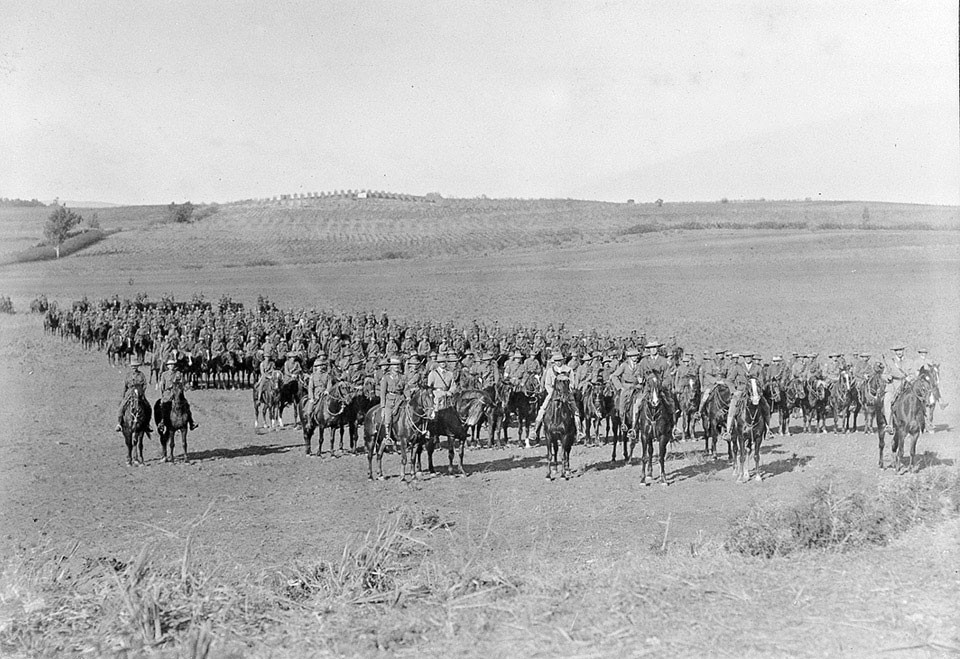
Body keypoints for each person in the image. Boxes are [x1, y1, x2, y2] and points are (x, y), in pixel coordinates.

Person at [532, 351, 584, 439]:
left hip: (566, 393)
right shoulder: (550, 371)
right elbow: (547, 384)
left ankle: (579, 431)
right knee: (543, 408)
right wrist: (553, 392)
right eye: (556, 361)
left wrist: (568, 391)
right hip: (553, 393)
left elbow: (572, 382)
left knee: (575, 410)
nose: (558, 362)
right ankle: (535, 430)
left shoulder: (568, 370)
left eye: (559, 360)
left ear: (562, 360)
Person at [723, 352, 764, 439]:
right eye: (746, 357)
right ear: (743, 358)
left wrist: (759, 391)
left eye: (749, 357)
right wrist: (734, 391)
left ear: (752, 357)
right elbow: (729, 380)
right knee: (732, 408)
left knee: (766, 406)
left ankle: (767, 430)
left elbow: (761, 381)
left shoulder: (757, 367)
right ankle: (728, 431)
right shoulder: (738, 367)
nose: (748, 358)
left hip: (755, 391)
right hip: (741, 391)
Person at [159, 358, 198, 431]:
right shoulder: (164, 374)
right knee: (164, 406)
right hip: (168, 394)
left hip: (178, 393)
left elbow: (183, 383)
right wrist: (164, 394)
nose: (171, 366)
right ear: (167, 366)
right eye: (170, 365)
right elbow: (162, 386)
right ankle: (162, 422)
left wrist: (186, 386)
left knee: (186, 405)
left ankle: (191, 422)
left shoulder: (178, 373)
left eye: (173, 365)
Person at [881, 344, 909, 434]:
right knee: (887, 401)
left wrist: (910, 378)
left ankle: (924, 422)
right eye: (897, 350)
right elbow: (883, 374)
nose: (899, 352)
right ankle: (889, 425)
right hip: (892, 386)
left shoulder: (909, 361)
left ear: (903, 351)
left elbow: (913, 373)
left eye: (900, 350)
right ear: (895, 352)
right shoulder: (890, 362)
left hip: (906, 386)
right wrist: (887, 377)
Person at [116, 358, 148, 432]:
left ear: (138, 367)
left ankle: (147, 424)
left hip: (139, 393)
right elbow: (125, 386)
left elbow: (145, 384)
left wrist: (142, 392)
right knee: (121, 407)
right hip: (129, 393)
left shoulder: (141, 375)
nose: (134, 368)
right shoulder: (128, 375)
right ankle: (119, 424)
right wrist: (123, 396)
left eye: (135, 366)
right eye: (133, 366)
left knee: (147, 407)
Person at [610, 347, 641, 419]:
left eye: (636, 355)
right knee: (622, 401)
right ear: (629, 357)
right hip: (626, 387)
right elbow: (614, 376)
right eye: (633, 356)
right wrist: (620, 387)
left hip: (637, 387)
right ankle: (622, 418)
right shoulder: (624, 365)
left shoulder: (639, 366)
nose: (635, 357)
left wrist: (641, 380)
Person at [379, 357, 404, 444]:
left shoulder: (402, 377)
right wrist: (383, 406)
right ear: (391, 366)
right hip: (390, 400)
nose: (397, 366)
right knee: (388, 418)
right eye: (395, 365)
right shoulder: (386, 377)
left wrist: (408, 397)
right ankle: (387, 436)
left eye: (398, 365)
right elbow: (383, 392)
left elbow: (406, 389)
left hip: (400, 400)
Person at [304, 352, 333, 419]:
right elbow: (310, 387)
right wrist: (311, 397)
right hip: (316, 394)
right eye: (319, 366)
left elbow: (329, 384)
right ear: (316, 367)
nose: (320, 367)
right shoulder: (313, 376)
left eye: (322, 366)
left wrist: (327, 391)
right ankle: (309, 421)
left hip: (325, 394)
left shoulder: (327, 375)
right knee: (309, 410)